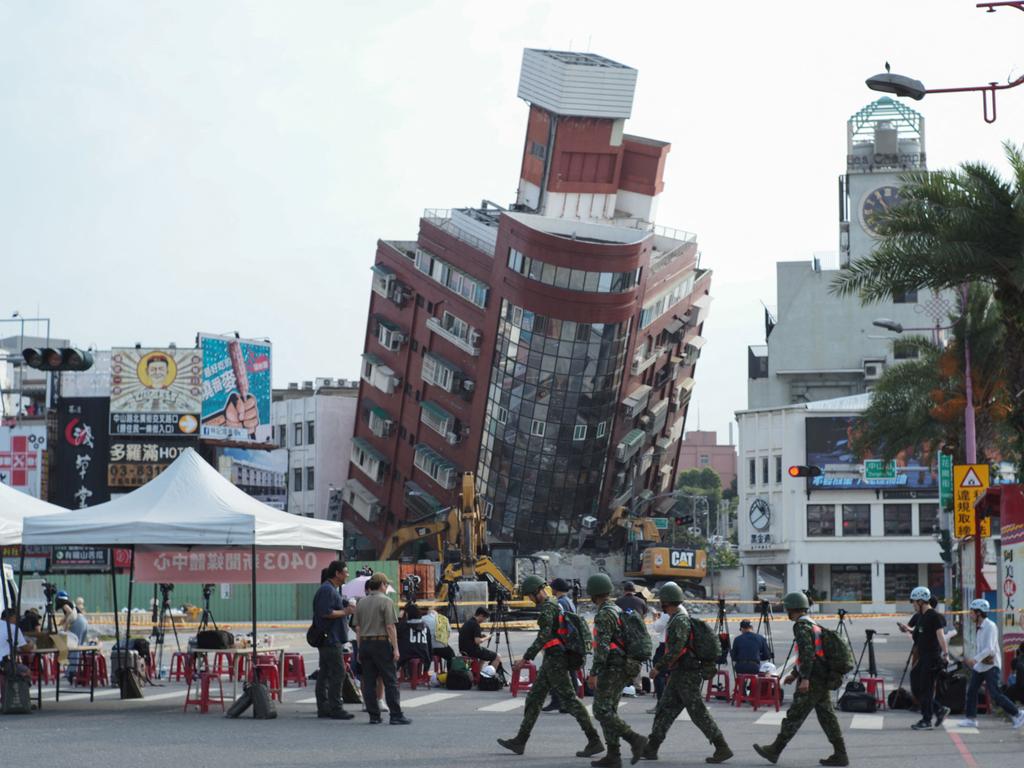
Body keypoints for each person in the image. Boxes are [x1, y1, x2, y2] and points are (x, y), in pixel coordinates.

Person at [497, 575, 603, 757]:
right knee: (534, 699)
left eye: (531, 595)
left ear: (539, 591)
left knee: (570, 700)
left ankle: (594, 740)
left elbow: (543, 636)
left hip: (556, 660)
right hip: (551, 660)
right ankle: (520, 741)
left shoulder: (548, 608)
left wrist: (525, 658)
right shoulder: (554, 603)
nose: (530, 600)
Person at [753, 592, 846, 766]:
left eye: (787, 608)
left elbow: (808, 653)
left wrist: (804, 678)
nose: (786, 611)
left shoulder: (801, 626)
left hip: (813, 679)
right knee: (827, 716)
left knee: (795, 715)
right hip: (821, 676)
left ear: (792, 608)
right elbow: (812, 654)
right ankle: (841, 754)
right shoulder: (813, 624)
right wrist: (794, 674)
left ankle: (775, 749)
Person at [643, 582, 732, 764]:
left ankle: (721, 747)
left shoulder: (679, 621)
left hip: (688, 673)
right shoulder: (677, 618)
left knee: (697, 712)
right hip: (679, 672)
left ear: (666, 601)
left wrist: (658, 667)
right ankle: (652, 747)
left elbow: (677, 649)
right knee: (665, 709)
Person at [586, 573, 647, 768]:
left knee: (600, 710)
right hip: (623, 666)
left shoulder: (604, 614)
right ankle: (613, 755)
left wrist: (594, 673)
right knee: (609, 710)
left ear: (593, 593)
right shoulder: (615, 609)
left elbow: (602, 647)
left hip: (613, 667)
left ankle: (635, 739)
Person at [957, 599, 1024, 729]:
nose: (970, 614)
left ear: (979, 613)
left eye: (972, 612)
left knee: (995, 694)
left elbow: (990, 649)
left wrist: (974, 659)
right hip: (981, 666)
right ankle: (971, 719)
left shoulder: (990, 626)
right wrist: (976, 662)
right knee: (972, 690)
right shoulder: (980, 628)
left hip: (991, 666)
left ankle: (1018, 714)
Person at [354, 573, 410, 725]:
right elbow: (390, 626)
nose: (387, 588)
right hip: (381, 643)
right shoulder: (386, 601)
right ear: (382, 585)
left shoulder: (361, 602)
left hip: (365, 644)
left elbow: (358, 628)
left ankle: (374, 715)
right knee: (390, 680)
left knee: (369, 681)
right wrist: (396, 648)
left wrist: (359, 649)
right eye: (386, 585)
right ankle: (396, 715)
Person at [313, 560, 355, 720]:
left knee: (325, 672)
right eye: (345, 571)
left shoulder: (331, 590)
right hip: (330, 639)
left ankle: (324, 707)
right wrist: (345, 611)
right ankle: (335, 707)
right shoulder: (327, 590)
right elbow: (326, 612)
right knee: (338, 672)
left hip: (331, 638)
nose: (347, 575)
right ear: (337, 573)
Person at [907, 586, 949, 730]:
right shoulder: (922, 617)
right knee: (916, 683)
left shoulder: (933, 616)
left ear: (921, 601)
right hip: (923, 656)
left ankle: (927, 720)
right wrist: (908, 630)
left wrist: (946, 653)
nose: (913, 605)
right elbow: (919, 633)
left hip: (932, 657)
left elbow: (940, 635)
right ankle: (938, 709)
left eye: (914, 602)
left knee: (926, 688)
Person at [543, 577, 576, 714]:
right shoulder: (570, 602)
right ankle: (565, 702)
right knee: (570, 672)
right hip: (571, 641)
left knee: (556, 672)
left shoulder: (560, 603)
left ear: (555, 589)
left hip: (562, 642)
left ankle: (560, 702)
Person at [459, 607, 505, 677]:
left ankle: (478, 675)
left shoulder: (468, 622)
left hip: (463, 649)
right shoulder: (476, 625)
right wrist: (487, 637)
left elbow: (470, 636)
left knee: (483, 657)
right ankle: (489, 678)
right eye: (485, 618)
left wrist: (482, 635)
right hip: (472, 650)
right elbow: (478, 641)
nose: (484, 620)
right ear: (481, 616)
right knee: (497, 657)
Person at [396, 603, 432, 673]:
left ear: (407, 614)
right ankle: (423, 672)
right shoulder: (425, 627)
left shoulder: (404, 626)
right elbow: (429, 644)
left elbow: (395, 632)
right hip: (423, 654)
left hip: (406, 655)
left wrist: (400, 618)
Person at [1, 607, 35, 676]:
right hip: (3, 663)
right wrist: (32, 643)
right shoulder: (13, 628)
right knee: (27, 672)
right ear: (11, 617)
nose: (17, 621)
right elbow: (25, 649)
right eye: (15, 618)